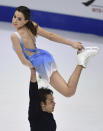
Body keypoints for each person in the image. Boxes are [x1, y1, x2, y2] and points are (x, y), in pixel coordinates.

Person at [11, 6, 99, 97]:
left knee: (67, 92)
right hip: (43, 58)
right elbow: (50, 36)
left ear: (25, 21)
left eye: (19, 19)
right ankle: (81, 60)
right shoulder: (32, 25)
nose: (15, 20)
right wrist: (71, 43)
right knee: (68, 92)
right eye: (14, 16)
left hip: (40, 65)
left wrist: (36, 74)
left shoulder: (15, 37)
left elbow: (24, 61)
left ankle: (81, 60)